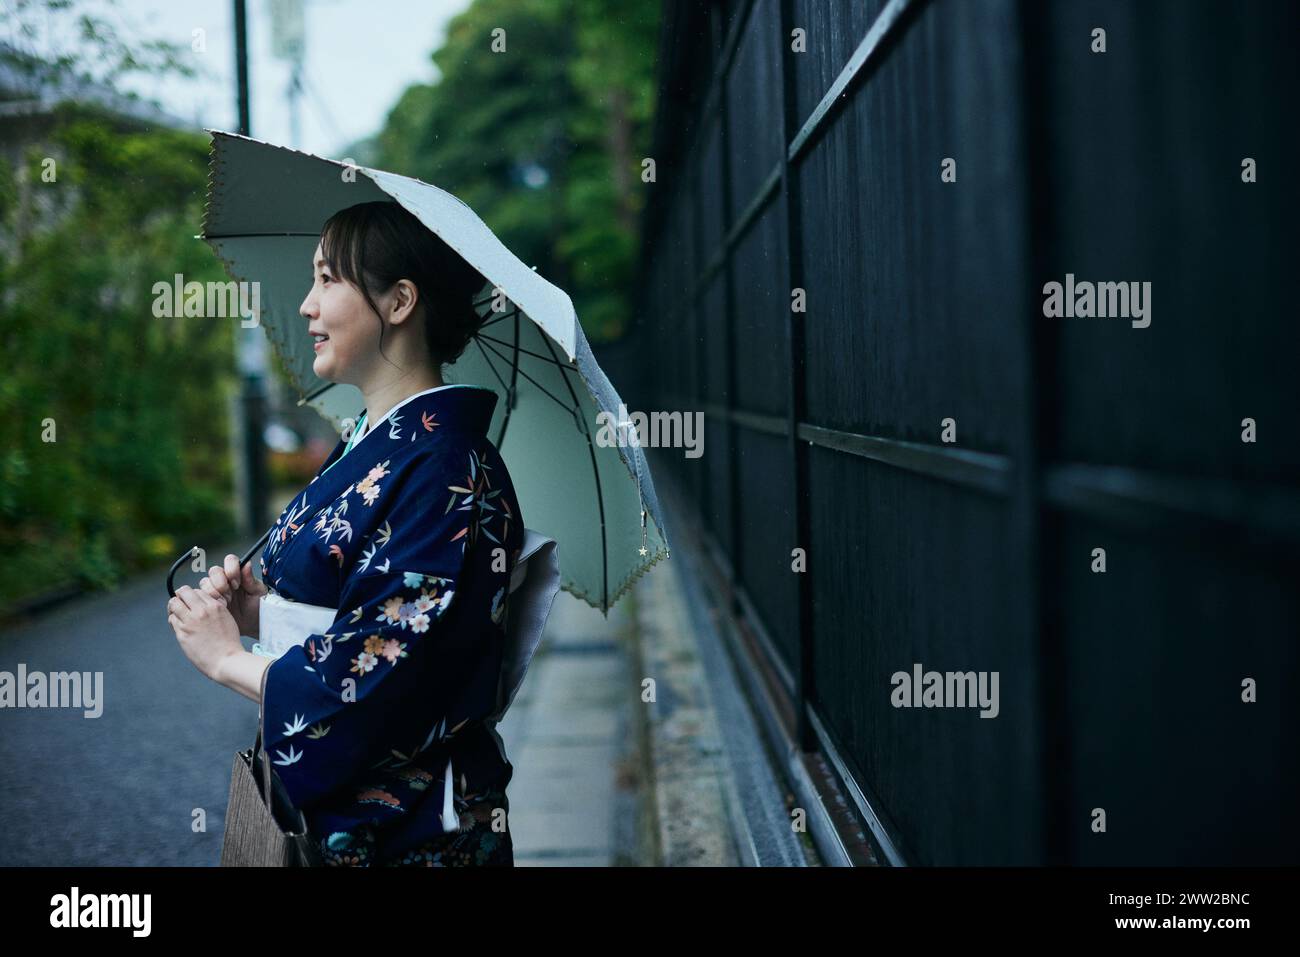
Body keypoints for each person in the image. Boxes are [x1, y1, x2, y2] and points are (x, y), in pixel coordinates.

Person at [167, 200, 525, 866]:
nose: (306, 305)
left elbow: (384, 676)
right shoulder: (374, 444)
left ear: (399, 302)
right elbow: (355, 610)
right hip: (355, 818)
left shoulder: (447, 467)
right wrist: (259, 611)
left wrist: (227, 659)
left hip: (415, 831)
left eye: (328, 278)